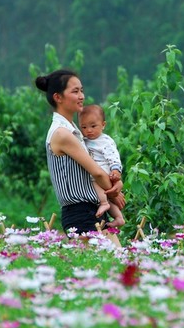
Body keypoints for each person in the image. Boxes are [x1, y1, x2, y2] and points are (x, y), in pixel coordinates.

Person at [34, 69, 125, 236]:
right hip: (80, 213)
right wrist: (115, 191)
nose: (81, 96)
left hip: (93, 209)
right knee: (106, 260)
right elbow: (96, 172)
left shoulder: (76, 130)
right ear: (58, 97)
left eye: (81, 90)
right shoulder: (62, 133)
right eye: (75, 91)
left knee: (114, 260)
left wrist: (116, 182)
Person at [79, 104, 126, 228]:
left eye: (93, 126)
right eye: (84, 127)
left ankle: (104, 203)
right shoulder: (84, 140)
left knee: (94, 183)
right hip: (99, 171)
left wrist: (116, 170)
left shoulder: (105, 141)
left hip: (103, 170)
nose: (88, 130)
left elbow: (113, 156)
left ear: (103, 125)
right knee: (110, 197)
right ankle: (119, 217)